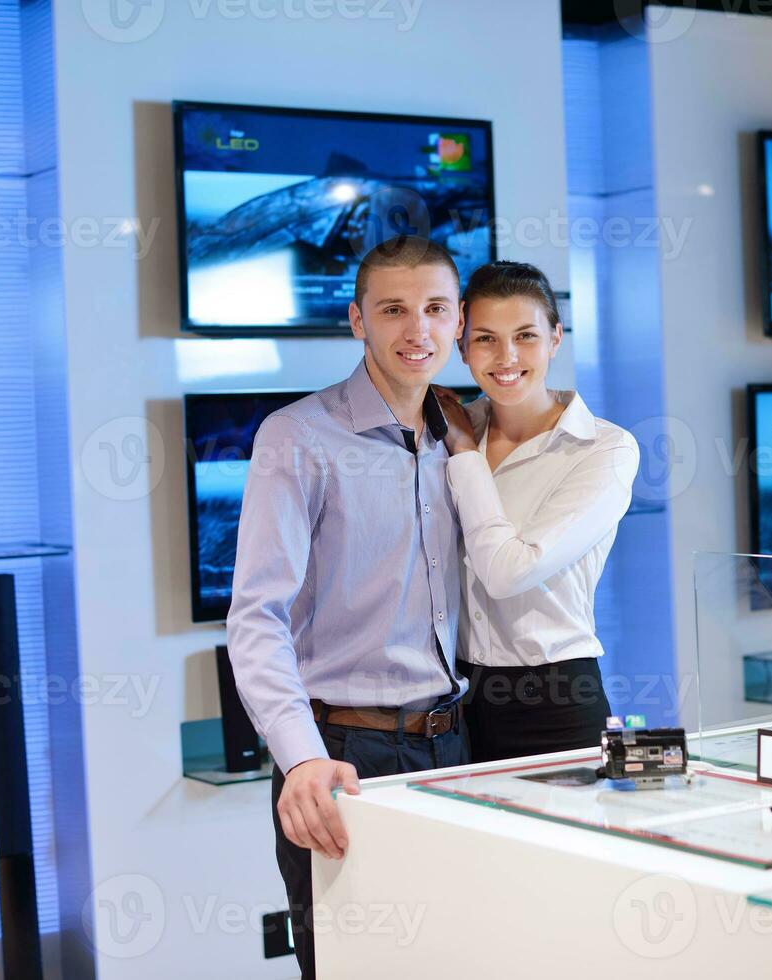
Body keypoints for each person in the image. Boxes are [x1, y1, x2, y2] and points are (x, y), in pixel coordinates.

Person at [226, 237, 469, 980]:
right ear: (357, 319)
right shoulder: (297, 437)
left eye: (434, 309)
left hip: (458, 746)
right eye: (393, 310)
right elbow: (256, 617)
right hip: (345, 759)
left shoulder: (466, 434)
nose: (415, 330)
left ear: (458, 320)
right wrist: (300, 757)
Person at [432, 261, 639, 764]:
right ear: (461, 346)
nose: (507, 357)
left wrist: (464, 456)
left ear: (555, 338)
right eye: (485, 339)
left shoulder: (604, 449)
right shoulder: (448, 430)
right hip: (453, 700)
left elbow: (509, 572)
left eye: (526, 335)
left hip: (554, 700)